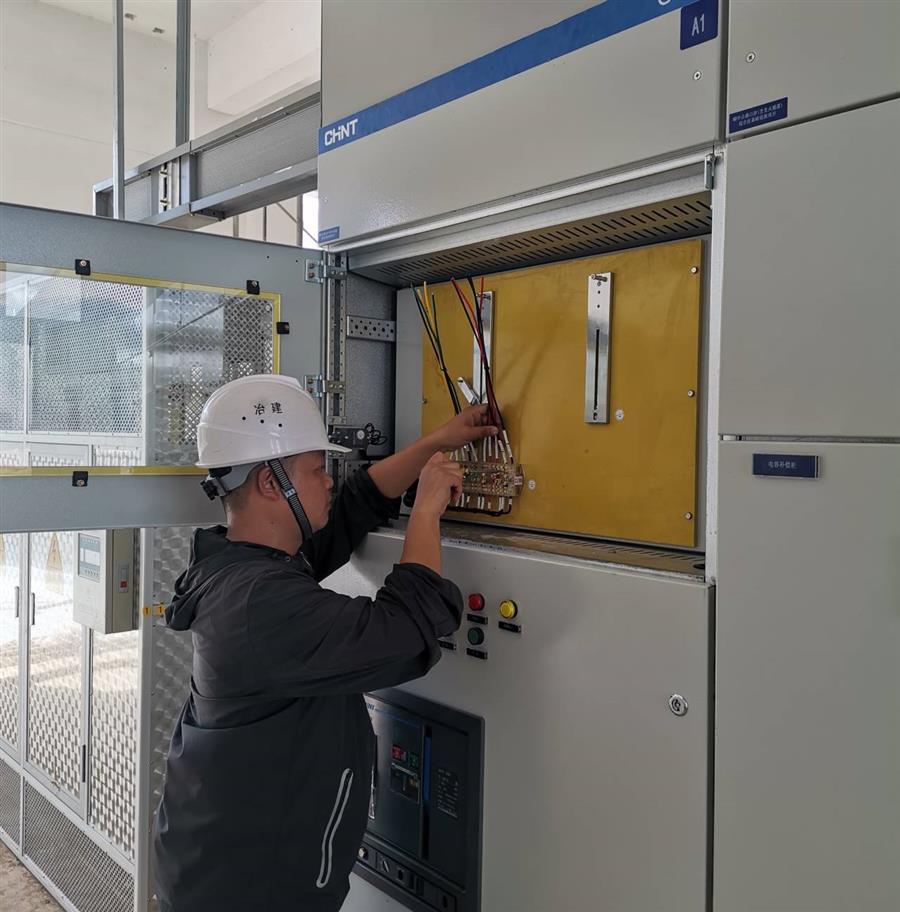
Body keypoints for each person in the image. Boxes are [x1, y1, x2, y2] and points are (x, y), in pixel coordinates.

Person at [152, 373, 496, 912]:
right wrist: (427, 510)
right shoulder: (258, 604)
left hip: (220, 866)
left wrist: (437, 442)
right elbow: (407, 629)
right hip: (247, 893)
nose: (331, 481)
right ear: (272, 484)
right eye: (318, 469)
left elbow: (355, 504)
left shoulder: (243, 566)